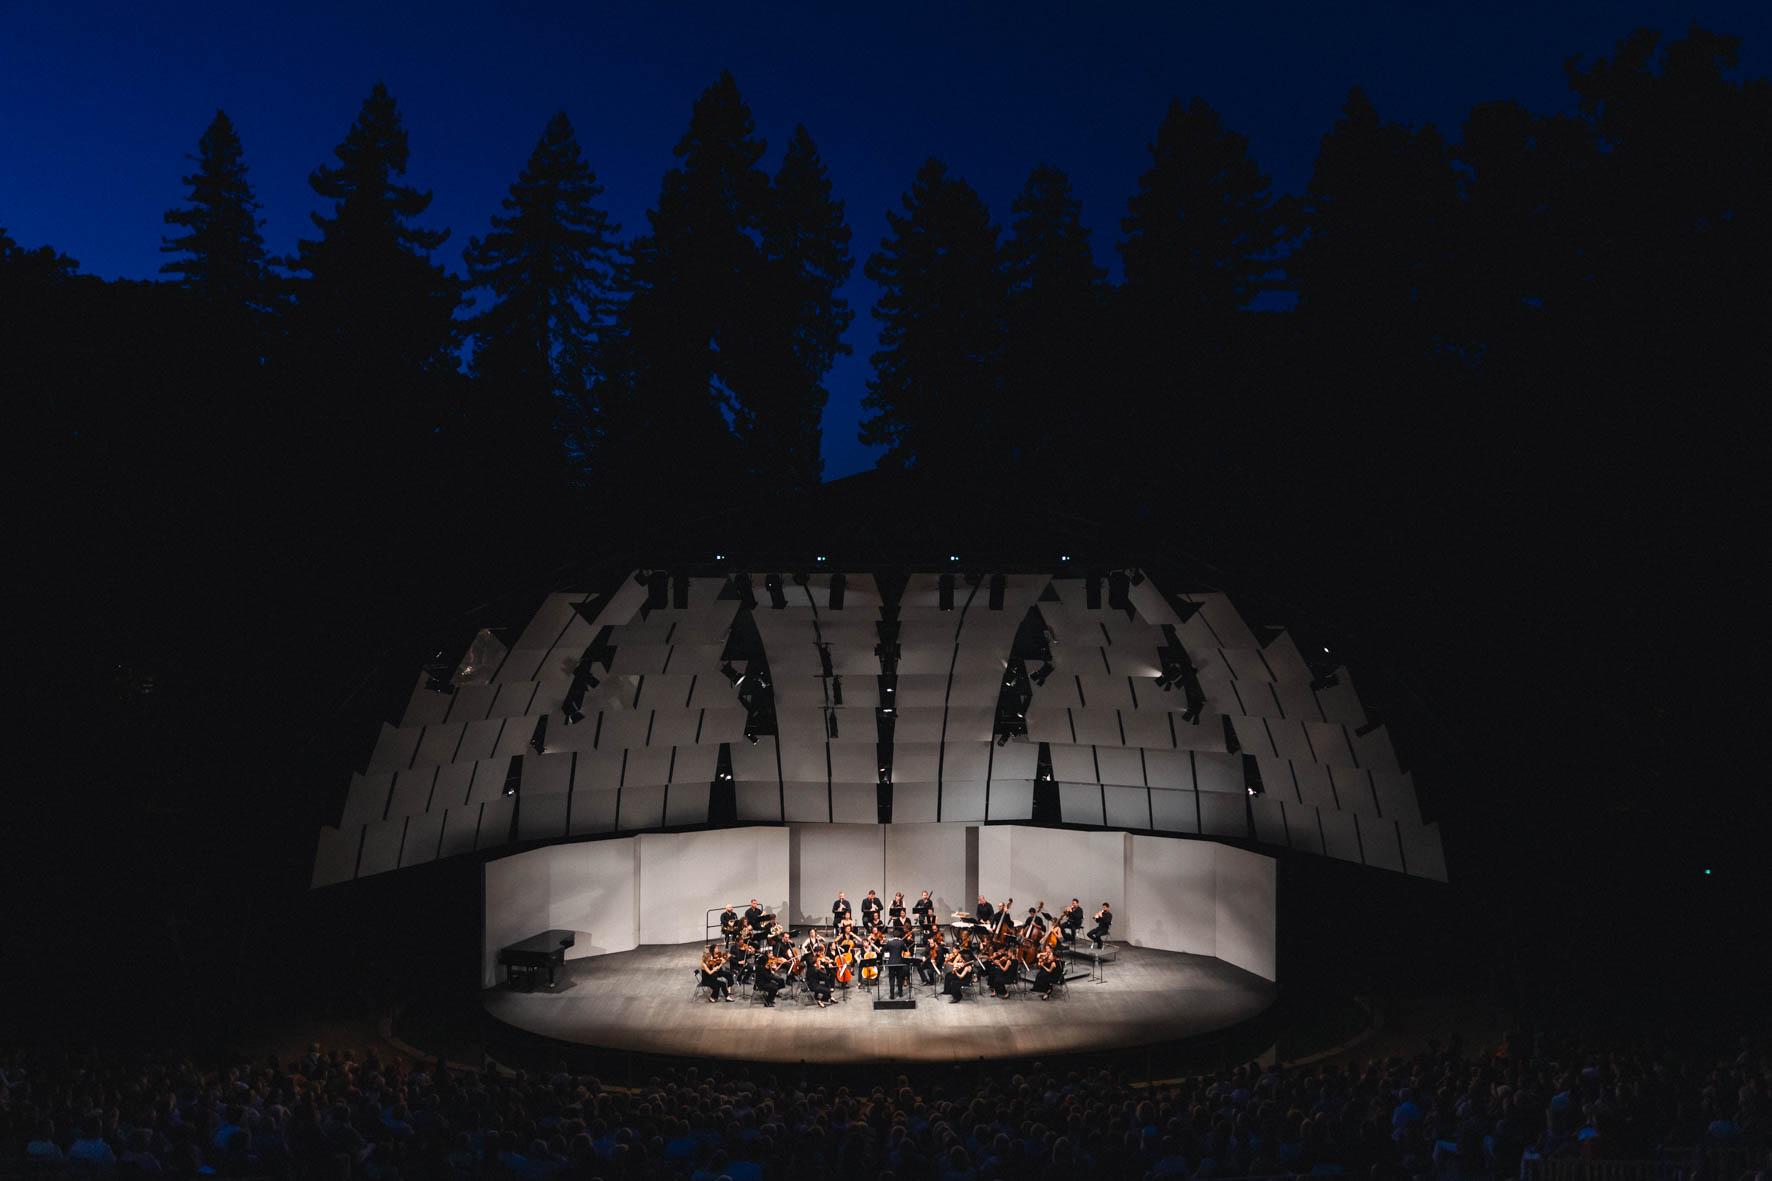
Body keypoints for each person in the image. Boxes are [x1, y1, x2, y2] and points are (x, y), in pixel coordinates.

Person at [884, 929, 909, 998]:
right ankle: (900, 994)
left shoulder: (889, 942)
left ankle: (892, 995)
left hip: (891, 963)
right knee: (899, 978)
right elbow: (906, 950)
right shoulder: (901, 942)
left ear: (893, 935)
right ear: (899, 935)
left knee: (891, 979)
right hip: (899, 962)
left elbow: (884, 950)